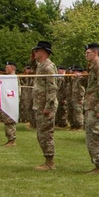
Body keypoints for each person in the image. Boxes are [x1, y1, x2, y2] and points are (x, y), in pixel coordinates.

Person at [31, 41, 60, 171]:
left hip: (46, 106)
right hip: (40, 105)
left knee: (46, 134)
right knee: (41, 134)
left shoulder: (48, 67)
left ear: (43, 51)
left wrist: (49, 106)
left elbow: (52, 88)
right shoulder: (40, 65)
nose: (34, 53)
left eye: (36, 51)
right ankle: (47, 160)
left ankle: (50, 162)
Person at [82, 43, 99, 174]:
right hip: (90, 105)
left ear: (96, 53)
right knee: (90, 135)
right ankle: (96, 164)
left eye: (88, 53)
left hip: (95, 107)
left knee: (95, 135)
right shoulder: (92, 67)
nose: (86, 55)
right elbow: (91, 86)